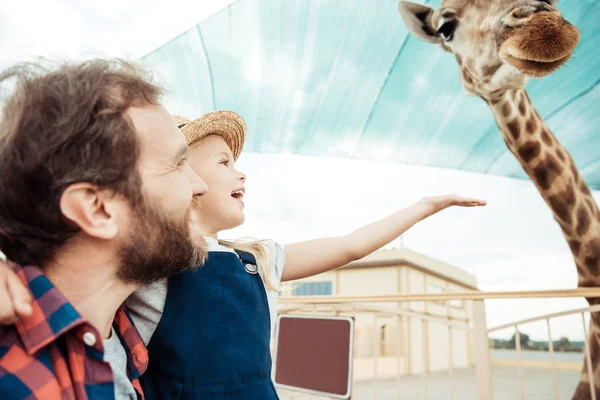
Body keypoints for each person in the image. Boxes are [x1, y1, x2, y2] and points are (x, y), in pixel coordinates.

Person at [0, 110, 486, 399]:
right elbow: (63, 267)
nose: (241, 174)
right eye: (225, 162)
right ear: (182, 180)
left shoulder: (255, 256)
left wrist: (423, 207)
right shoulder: (151, 259)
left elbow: (350, 245)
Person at [0, 59, 208, 399]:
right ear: (97, 209)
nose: (200, 186)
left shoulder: (122, 335)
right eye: (177, 164)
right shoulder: (15, 382)